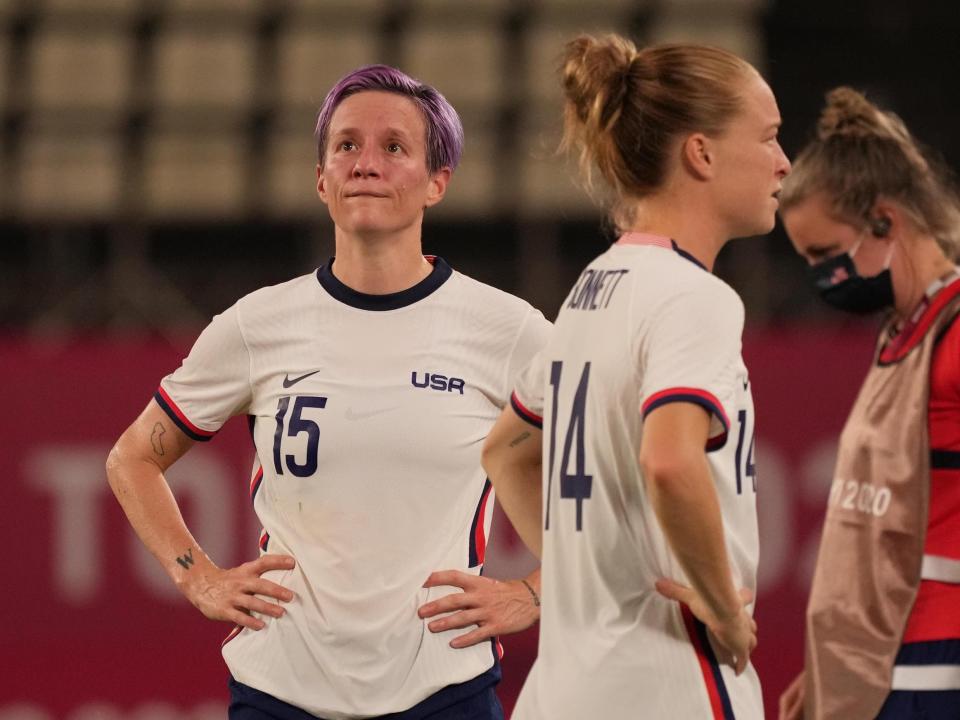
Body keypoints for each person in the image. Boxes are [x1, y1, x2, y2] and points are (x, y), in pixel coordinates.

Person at [105, 64, 549, 720]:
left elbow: (611, 485)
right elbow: (132, 458)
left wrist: (537, 594)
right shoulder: (257, 325)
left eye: (394, 147)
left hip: (444, 688)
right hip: (278, 691)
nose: (366, 163)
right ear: (321, 179)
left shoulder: (508, 332)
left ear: (437, 183)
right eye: (346, 145)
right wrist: (195, 575)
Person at [481, 34, 790, 719]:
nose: (783, 162)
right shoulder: (694, 297)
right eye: (768, 137)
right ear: (701, 153)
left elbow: (504, 450)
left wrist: (588, 572)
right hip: (664, 683)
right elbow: (671, 459)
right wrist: (722, 610)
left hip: (564, 687)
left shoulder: (595, 286)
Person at [777, 87, 960, 720]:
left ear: (885, 221)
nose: (821, 277)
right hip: (881, 658)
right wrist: (831, 662)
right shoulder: (901, 333)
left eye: (826, 254)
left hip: (937, 661)